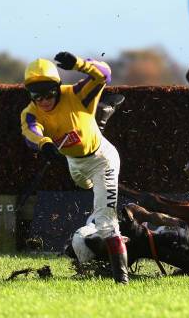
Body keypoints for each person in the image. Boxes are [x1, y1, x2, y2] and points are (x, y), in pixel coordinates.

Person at [20, 52, 128, 284]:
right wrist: (43, 143)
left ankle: (122, 280)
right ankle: (97, 120)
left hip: (102, 160)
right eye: (37, 96)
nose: (44, 100)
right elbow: (30, 132)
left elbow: (105, 74)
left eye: (49, 93)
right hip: (75, 163)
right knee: (84, 187)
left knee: (107, 221)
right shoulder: (30, 112)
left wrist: (80, 64)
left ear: (58, 87)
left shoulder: (76, 93)